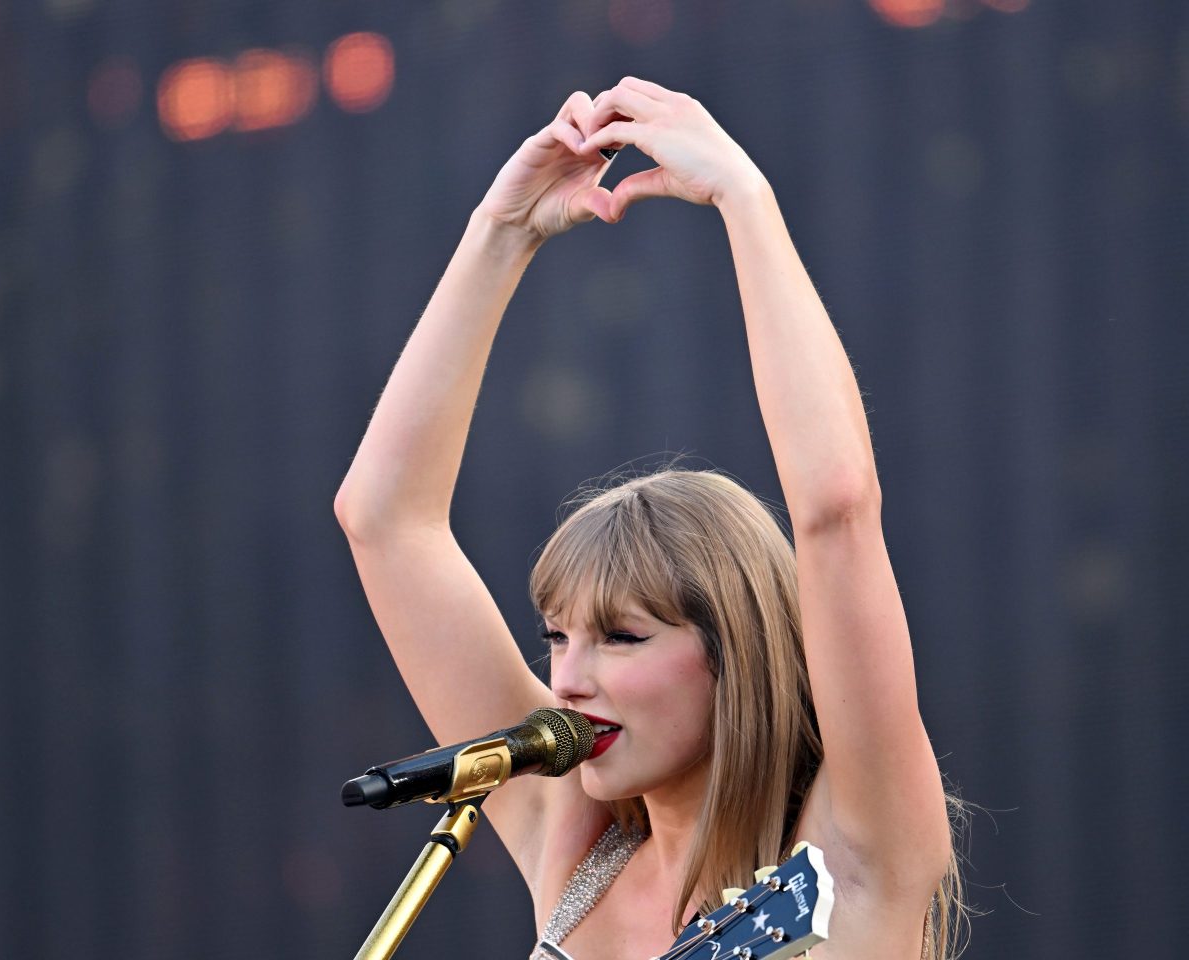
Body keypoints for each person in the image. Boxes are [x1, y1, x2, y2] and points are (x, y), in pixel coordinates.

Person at [334, 77, 965, 959]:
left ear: (734, 653)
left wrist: (744, 199)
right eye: (557, 638)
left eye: (623, 638)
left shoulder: (851, 850)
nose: (569, 681)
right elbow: (384, 520)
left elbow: (836, 509)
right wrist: (501, 233)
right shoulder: (576, 839)